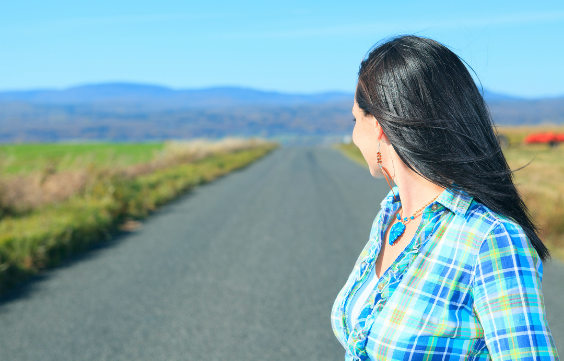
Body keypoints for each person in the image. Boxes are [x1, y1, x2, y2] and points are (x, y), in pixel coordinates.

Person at [331, 35, 559, 360]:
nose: (354, 134)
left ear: (380, 125)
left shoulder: (490, 239)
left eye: (356, 119)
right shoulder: (391, 215)